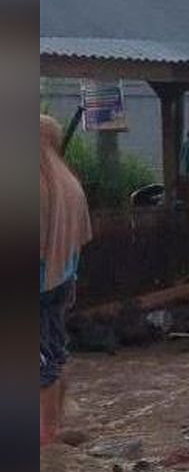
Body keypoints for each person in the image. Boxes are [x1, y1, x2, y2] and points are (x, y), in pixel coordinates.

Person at [40, 115, 92, 445]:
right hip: (65, 279)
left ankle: (42, 437)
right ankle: (53, 426)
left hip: (39, 284)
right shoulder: (68, 180)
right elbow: (80, 235)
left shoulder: (38, 181)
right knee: (56, 353)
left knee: (38, 362)